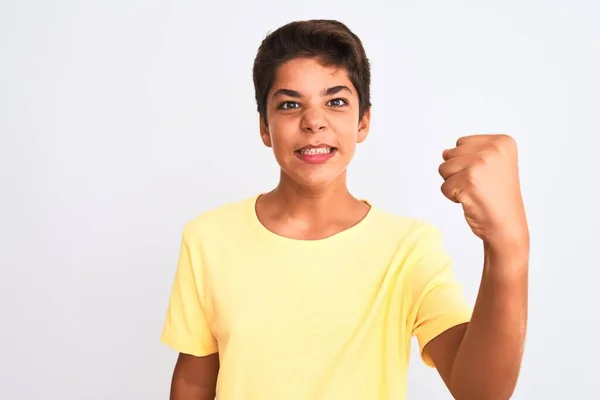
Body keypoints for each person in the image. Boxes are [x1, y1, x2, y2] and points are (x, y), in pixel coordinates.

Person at [160, 19, 529, 400]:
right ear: (265, 128)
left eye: (335, 101)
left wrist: (508, 244)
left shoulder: (410, 248)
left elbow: (480, 391)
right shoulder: (209, 238)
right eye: (290, 104)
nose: (314, 121)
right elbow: (194, 381)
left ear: (363, 121)